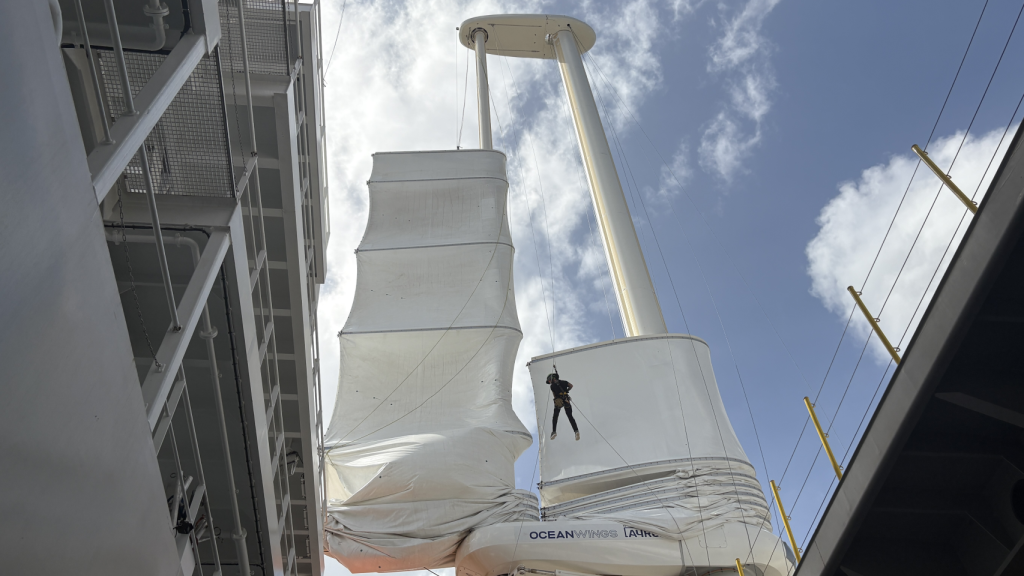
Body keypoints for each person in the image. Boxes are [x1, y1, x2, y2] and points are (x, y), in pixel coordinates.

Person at [547, 373, 579, 441]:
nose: (549, 382)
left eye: (549, 381)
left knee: (555, 416)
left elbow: (555, 396)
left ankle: (554, 431)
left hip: (559, 401)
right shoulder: (564, 382)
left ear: (552, 379)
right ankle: (576, 431)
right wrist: (566, 391)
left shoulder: (552, 386)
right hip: (566, 400)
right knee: (570, 416)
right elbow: (571, 386)